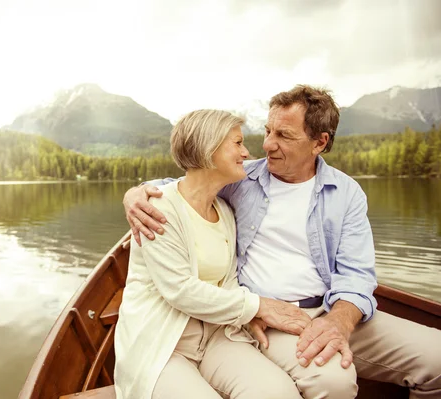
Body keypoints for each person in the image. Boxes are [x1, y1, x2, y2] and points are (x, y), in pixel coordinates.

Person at [123, 85, 441, 399]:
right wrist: (136, 193)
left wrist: (339, 321)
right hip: (270, 318)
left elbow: (357, 275)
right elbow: (188, 182)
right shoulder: (240, 180)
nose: (266, 146)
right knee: (332, 382)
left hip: (335, 308)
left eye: (284, 136)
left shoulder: (346, 193)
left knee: (437, 356)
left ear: (320, 142)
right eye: (267, 131)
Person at [114, 109, 310, 399]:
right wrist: (257, 307)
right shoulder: (159, 209)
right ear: (209, 148)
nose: (246, 152)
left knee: (279, 393)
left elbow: (228, 280)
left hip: (218, 336)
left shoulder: (225, 212)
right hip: (164, 344)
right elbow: (180, 290)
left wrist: (245, 316)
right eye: (237, 143)